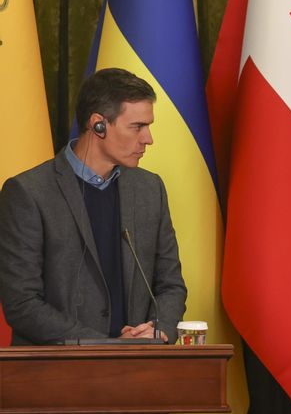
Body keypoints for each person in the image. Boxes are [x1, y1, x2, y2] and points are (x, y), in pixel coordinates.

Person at [0, 68, 187, 345]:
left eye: (148, 126)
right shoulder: (28, 193)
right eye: (137, 127)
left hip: (140, 369)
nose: (148, 139)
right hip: (56, 374)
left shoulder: (150, 189)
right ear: (98, 125)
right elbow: (22, 303)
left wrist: (157, 330)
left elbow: (170, 284)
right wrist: (107, 346)